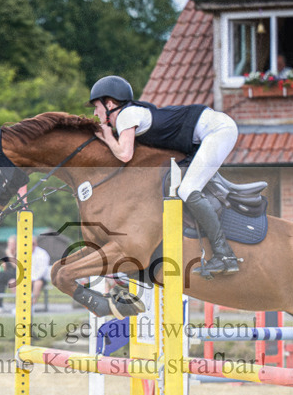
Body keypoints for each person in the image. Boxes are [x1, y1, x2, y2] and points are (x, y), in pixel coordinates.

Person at [89, 75, 241, 276]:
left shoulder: (127, 115)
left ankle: (225, 255)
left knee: (187, 189)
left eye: (96, 106)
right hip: (205, 133)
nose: (94, 112)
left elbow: (125, 154)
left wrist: (108, 136)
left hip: (217, 130)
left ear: (109, 104)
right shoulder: (131, 115)